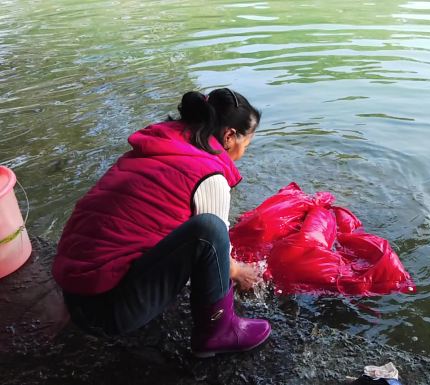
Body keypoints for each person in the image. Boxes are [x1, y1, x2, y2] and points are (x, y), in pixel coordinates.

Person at [51, 88, 270, 358]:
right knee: (209, 230)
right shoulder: (210, 174)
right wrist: (238, 271)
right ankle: (218, 332)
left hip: (74, 296)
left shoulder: (159, 147)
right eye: (246, 145)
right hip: (107, 313)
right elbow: (216, 251)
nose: (244, 152)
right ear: (228, 136)